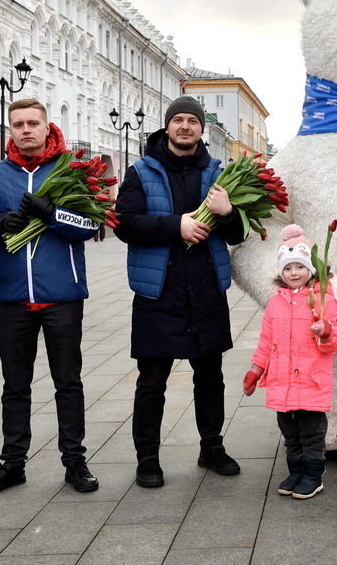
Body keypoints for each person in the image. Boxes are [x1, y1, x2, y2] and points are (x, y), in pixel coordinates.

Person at [113, 96, 247, 488]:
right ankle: (148, 458)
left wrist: (226, 212)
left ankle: (212, 447)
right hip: (159, 290)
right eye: (178, 120)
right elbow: (125, 223)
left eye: (192, 121)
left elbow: (238, 233)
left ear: (201, 129)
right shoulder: (142, 171)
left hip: (205, 289)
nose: (185, 126)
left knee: (210, 377)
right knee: (152, 381)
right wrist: (178, 226)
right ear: (167, 127)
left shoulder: (219, 173)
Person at [0, 99, 100, 497]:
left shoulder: (69, 171)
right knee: (15, 384)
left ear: (47, 127)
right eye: (18, 124)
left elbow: (92, 223)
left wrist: (52, 213)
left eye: (33, 123)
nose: (26, 130)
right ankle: (12, 464)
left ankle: (74, 461)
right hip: (11, 297)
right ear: (10, 130)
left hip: (61, 296)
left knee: (68, 381)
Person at [242, 225, 337, 499]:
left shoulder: (322, 299)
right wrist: (256, 369)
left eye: (299, 267)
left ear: (310, 269)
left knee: (311, 433)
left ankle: (313, 475)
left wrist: (326, 330)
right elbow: (266, 340)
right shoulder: (275, 303)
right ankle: (295, 471)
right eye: (288, 268)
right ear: (281, 272)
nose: (294, 273)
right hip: (281, 382)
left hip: (311, 380)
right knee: (290, 433)